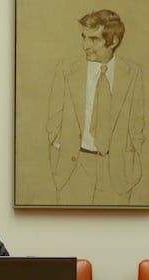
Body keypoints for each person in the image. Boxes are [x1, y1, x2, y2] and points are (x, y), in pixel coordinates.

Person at [46, 9, 145, 206]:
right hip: (74, 168)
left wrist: (131, 155)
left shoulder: (133, 73)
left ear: (114, 41)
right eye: (84, 37)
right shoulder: (66, 70)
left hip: (118, 173)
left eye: (94, 39)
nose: (85, 46)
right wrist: (59, 149)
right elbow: (53, 121)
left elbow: (138, 123)